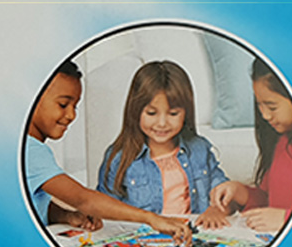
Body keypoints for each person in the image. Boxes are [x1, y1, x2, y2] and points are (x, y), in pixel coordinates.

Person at [25, 60, 191, 242]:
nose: (72, 115)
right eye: (63, 105)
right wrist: (151, 218)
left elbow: (32, 203)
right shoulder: (31, 151)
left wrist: (66, 215)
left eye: (75, 106)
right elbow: (84, 199)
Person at [96, 61, 229, 222]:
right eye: (152, 113)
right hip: (143, 235)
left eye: (173, 114)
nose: (162, 123)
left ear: (186, 112)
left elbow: (223, 191)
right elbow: (105, 208)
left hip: (191, 232)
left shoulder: (199, 149)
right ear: (135, 111)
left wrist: (216, 209)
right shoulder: (119, 157)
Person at [207, 58, 292, 232]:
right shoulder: (281, 142)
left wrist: (286, 218)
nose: (265, 115)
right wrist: (240, 192)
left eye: (272, 107)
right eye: (259, 105)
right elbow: (268, 200)